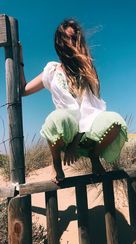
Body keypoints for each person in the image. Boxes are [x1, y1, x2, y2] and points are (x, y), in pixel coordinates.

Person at [19, 19, 128, 183]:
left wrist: (75, 144)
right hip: (65, 131)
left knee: (115, 120)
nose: (73, 43)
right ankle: (57, 164)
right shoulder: (52, 71)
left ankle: (94, 155)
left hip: (87, 132)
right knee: (57, 118)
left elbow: (91, 111)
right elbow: (23, 90)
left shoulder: (87, 70)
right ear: (60, 42)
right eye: (69, 38)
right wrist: (19, 60)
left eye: (76, 39)